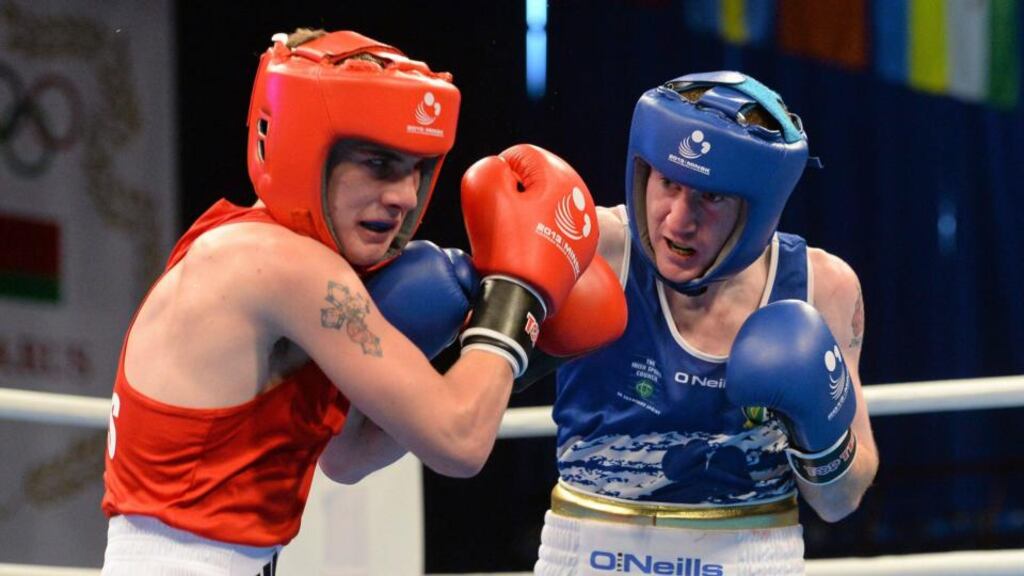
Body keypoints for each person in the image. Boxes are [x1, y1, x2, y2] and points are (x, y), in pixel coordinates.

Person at [100, 28, 605, 575]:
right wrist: (517, 296)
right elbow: (460, 442)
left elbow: (348, 456)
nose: (404, 196)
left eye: (417, 168)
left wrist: (499, 357)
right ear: (303, 145)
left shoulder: (237, 242)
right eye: (378, 163)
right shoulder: (280, 264)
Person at [527, 71, 880, 575]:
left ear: (759, 208)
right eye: (668, 183)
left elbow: (840, 501)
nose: (677, 221)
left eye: (711, 198)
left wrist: (819, 435)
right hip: (591, 555)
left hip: (750, 556)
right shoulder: (592, 249)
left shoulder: (820, 287)